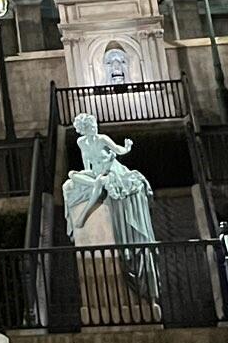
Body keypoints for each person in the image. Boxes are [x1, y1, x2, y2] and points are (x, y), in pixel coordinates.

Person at [62, 111, 159, 306]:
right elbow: (86, 163)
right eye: (90, 126)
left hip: (113, 171)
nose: (94, 128)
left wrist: (127, 147)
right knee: (73, 176)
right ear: (83, 129)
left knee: (99, 182)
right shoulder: (82, 142)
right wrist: (87, 175)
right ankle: (93, 186)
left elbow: (119, 151)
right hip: (97, 172)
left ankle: (83, 214)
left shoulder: (102, 138)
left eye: (94, 125)